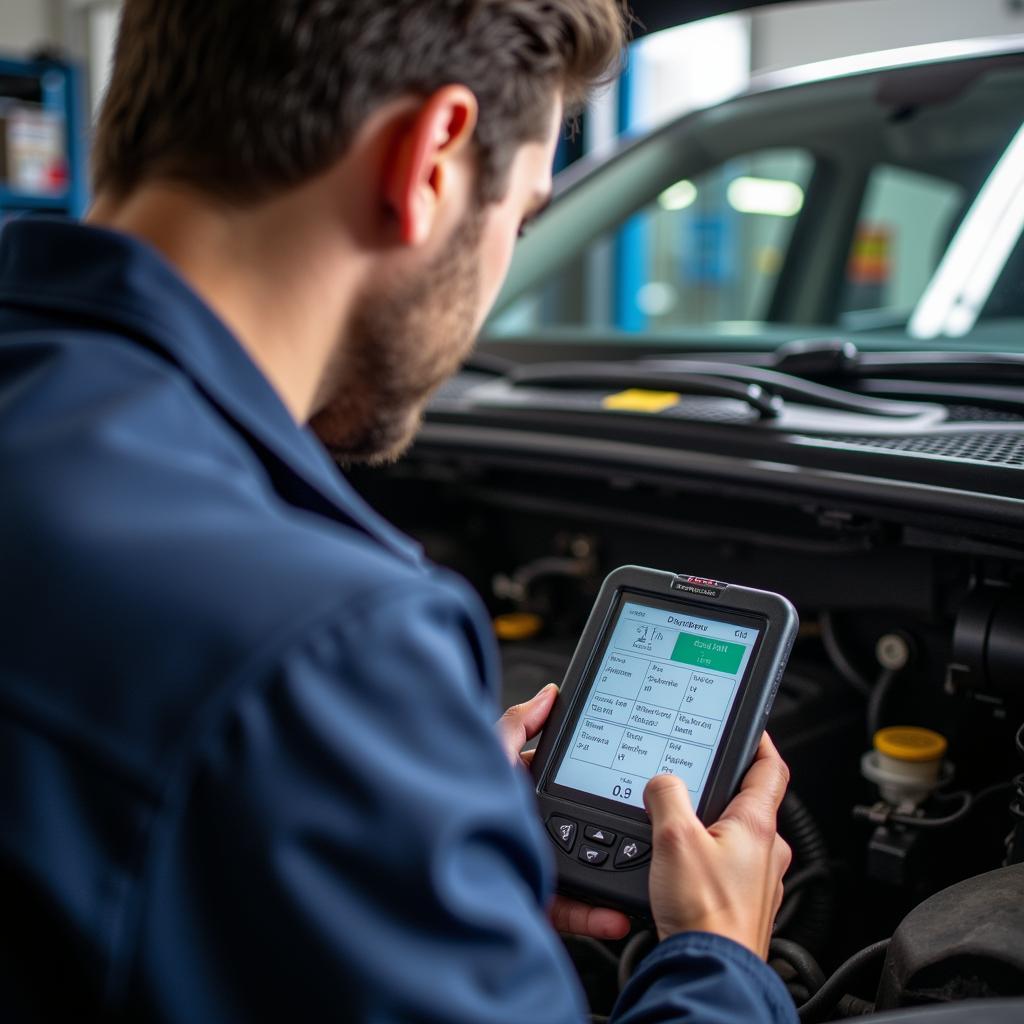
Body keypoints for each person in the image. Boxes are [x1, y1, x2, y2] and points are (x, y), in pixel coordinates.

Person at [0, 2, 795, 1021]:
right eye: (522, 215)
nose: (503, 260)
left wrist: (422, 838)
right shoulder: (326, 647)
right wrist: (719, 955)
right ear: (431, 158)